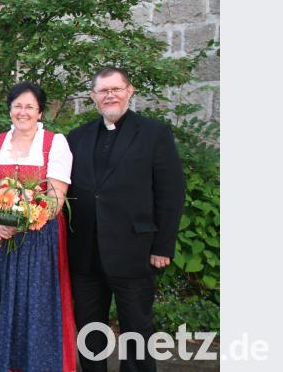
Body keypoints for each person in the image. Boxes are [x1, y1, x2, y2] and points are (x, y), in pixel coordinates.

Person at [66, 67, 185, 372]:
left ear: (130, 91)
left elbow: (171, 192)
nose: (110, 95)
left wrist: (163, 245)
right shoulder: (76, 138)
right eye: (103, 90)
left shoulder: (154, 133)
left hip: (135, 249)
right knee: (89, 332)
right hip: (85, 254)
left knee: (137, 330)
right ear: (93, 97)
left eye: (116, 89)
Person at [0, 82, 77, 372]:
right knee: (3, 300)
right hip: (1, 236)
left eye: (29, 107)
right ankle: (2, 364)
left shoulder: (54, 143)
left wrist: (26, 221)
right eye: (17, 106)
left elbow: (57, 195)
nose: (23, 112)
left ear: (40, 111)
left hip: (40, 238)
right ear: (9, 109)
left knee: (37, 305)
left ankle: (39, 364)